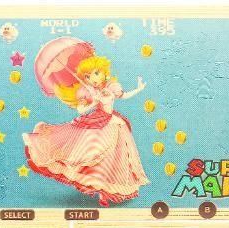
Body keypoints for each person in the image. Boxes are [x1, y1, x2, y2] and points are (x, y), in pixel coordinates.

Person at [25, 54, 149, 206]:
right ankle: (97, 187)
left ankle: (106, 192)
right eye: (88, 76)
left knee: (114, 159)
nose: (93, 79)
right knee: (93, 153)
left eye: (96, 73)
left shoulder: (112, 87)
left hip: (114, 123)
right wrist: (93, 102)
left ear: (104, 71)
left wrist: (139, 88)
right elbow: (80, 110)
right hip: (97, 122)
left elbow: (124, 95)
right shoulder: (88, 92)